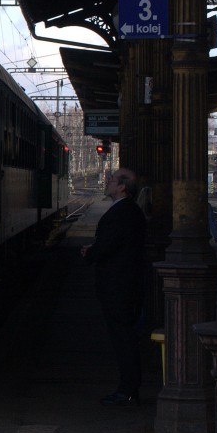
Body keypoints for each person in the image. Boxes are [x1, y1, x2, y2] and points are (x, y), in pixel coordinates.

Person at [80, 167, 148, 406]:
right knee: (124, 337)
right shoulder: (128, 211)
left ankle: (128, 390)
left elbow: (110, 245)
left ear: (122, 187)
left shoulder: (124, 213)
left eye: (112, 179)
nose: (107, 182)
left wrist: (91, 252)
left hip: (119, 287)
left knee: (123, 339)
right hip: (122, 285)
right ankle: (128, 388)